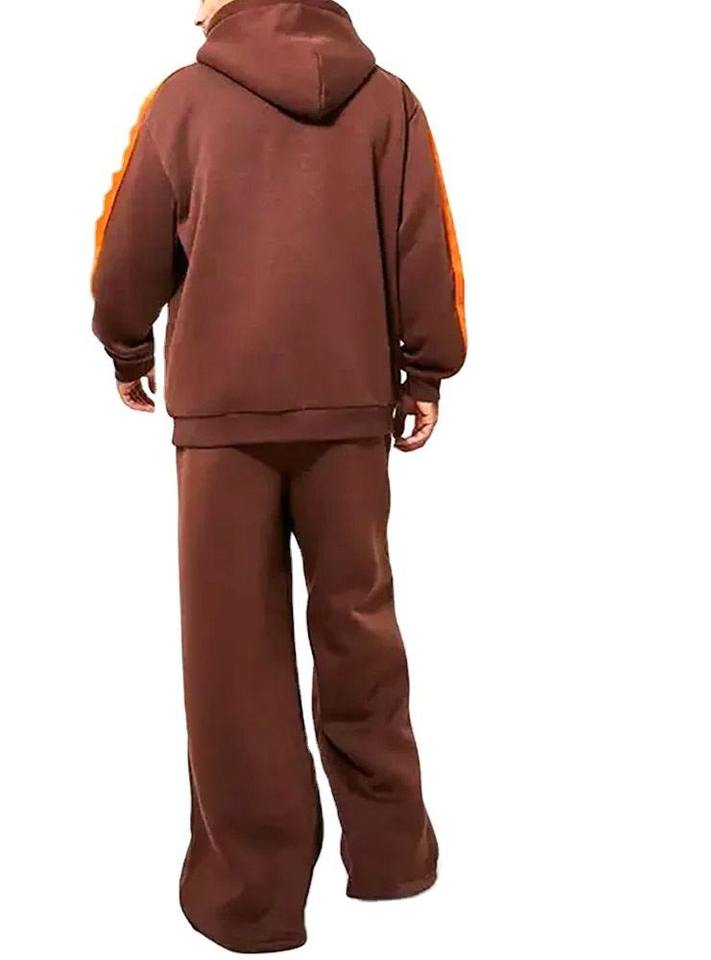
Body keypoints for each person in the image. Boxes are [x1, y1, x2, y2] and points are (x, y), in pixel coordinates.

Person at [90, 0, 466, 951]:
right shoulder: (388, 102)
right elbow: (423, 240)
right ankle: (391, 859)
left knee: (233, 659)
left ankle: (252, 898)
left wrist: (127, 344)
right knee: (359, 626)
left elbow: (128, 246)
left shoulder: (183, 101)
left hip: (223, 424)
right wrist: (426, 369)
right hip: (351, 411)